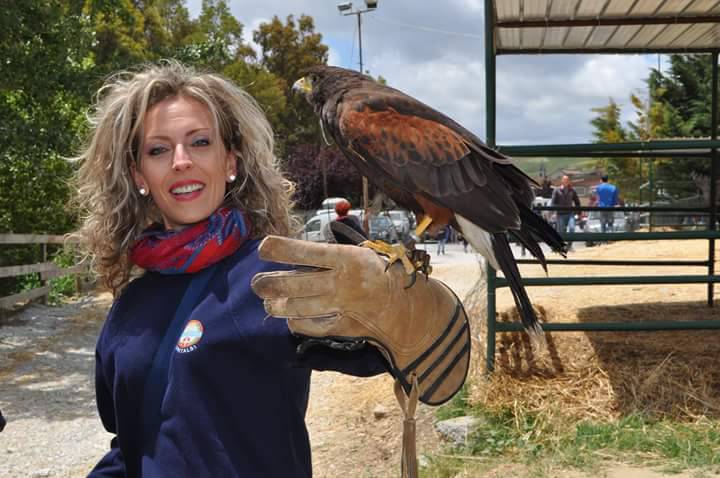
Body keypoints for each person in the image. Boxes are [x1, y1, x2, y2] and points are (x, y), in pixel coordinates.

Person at [73, 61, 469, 477]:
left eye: (200, 142)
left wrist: (414, 308)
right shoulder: (130, 308)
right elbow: (133, 445)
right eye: (158, 149)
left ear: (231, 162)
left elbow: (433, 365)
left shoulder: (275, 278)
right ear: (139, 175)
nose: (181, 161)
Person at [550, 175, 581, 250]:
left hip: (570, 214)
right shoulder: (557, 190)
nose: (566, 181)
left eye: (567, 180)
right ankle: (562, 246)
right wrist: (553, 212)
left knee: (572, 228)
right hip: (560, 214)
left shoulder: (572, 190)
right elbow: (553, 202)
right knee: (561, 231)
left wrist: (579, 212)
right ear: (562, 181)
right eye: (564, 180)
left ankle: (570, 246)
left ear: (569, 181)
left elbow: (577, 202)